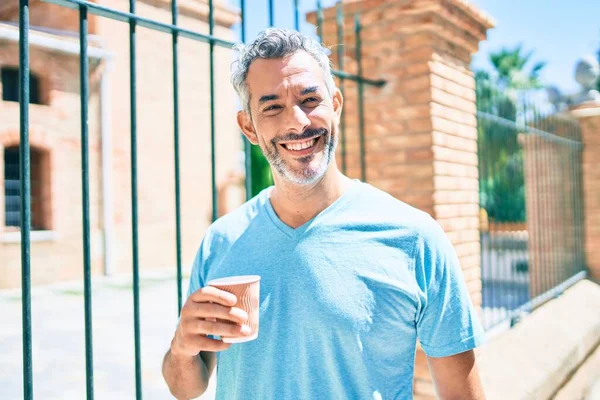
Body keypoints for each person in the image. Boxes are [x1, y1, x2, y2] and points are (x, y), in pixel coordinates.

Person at [162, 28, 486, 400]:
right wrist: (181, 348)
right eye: (271, 107)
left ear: (336, 104)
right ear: (248, 127)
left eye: (310, 99)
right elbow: (186, 388)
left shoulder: (414, 237)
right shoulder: (221, 240)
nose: (297, 122)